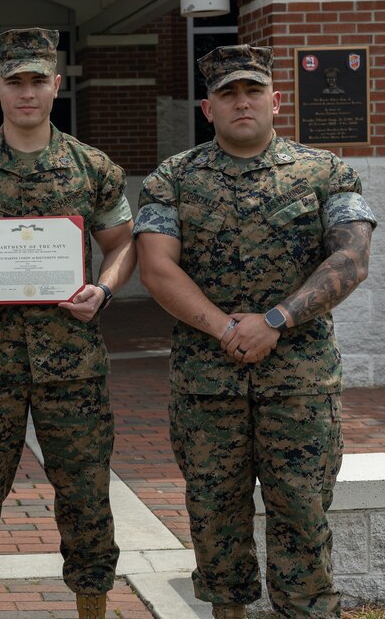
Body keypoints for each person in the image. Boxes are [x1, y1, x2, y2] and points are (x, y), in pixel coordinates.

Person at [135, 45, 375, 618]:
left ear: (276, 100)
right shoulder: (175, 176)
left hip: (300, 385)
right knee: (216, 523)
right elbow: (156, 267)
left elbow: (351, 259)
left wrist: (276, 321)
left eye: (252, 92)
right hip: (206, 387)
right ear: (207, 107)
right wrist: (225, 328)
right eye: (227, 94)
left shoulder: (326, 171)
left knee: (303, 517)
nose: (241, 102)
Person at [0, 28, 136, 619]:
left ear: (57, 85)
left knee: (86, 493)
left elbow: (122, 244)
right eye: (14, 81)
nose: (26, 92)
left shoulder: (92, 168)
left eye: (37, 80)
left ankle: (92, 605)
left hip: (71, 361)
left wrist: (105, 289)